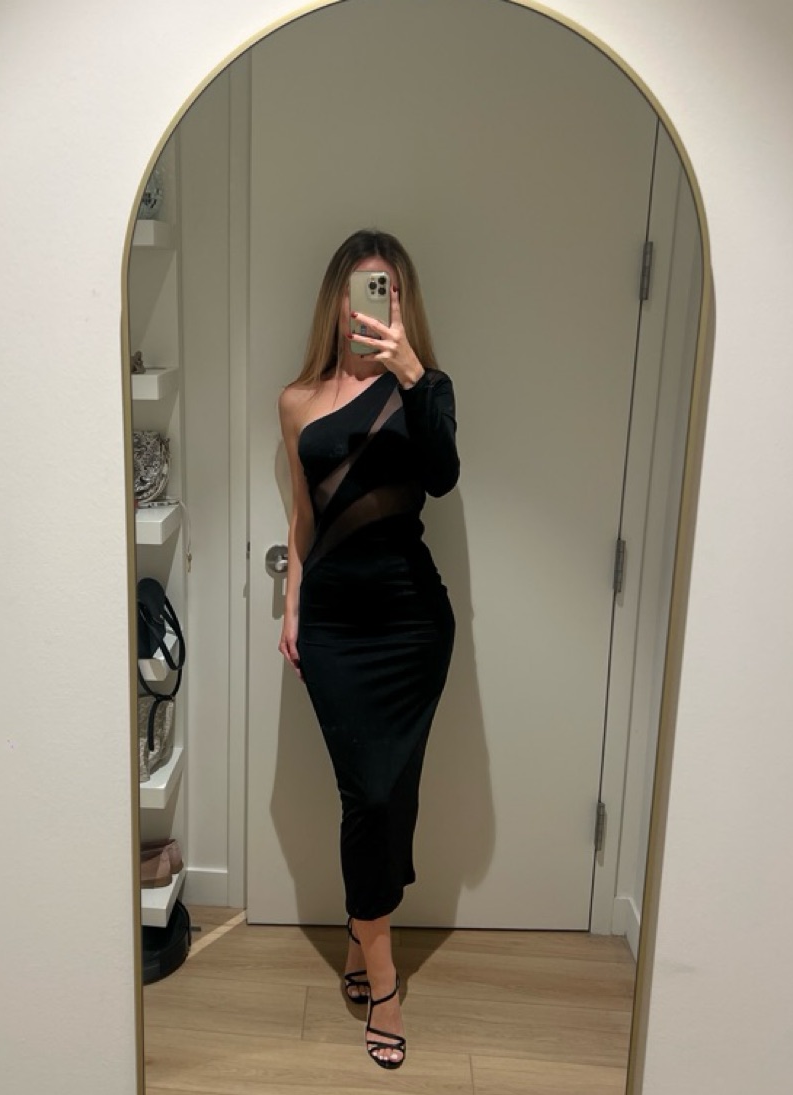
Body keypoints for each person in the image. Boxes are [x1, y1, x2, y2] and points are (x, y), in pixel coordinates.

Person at [277, 228, 459, 1069]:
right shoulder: (297, 401)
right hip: (334, 631)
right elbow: (302, 515)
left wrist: (412, 372)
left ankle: (362, 935)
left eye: (386, 288)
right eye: (360, 288)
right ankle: (383, 979)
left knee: (393, 795)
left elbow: (443, 474)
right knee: (366, 798)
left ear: (403, 301)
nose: (370, 306)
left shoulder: (425, 390)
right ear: (336, 299)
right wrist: (291, 604)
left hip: (413, 625)